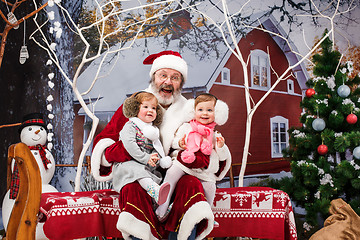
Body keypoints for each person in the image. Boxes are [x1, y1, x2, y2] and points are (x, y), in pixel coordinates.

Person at [91, 50, 215, 240]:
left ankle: (181, 235)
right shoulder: (135, 104)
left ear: (181, 83)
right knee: (133, 188)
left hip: (174, 171)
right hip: (141, 170)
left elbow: (205, 140)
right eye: (163, 75)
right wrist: (123, 152)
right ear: (153, 78)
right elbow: (105, 143)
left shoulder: (190, 110)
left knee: (191, 184)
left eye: (175, 77)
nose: (168, 82)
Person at [156, 93, 231, 222]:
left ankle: (208, 213)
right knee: (171, 174)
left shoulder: (214, 134)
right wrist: (180, 144)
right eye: (200, 110)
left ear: (217, 113)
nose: (205, 113)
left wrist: (220, 146)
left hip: (202, 169)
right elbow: (175, 142)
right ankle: (162, 207)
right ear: (193, 111)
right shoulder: (186, 128)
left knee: (210, 187)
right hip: (184, 163)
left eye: (209, 110)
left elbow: (223, 156)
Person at [114, 91, 172, 205]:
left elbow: (156, 147)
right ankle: (155, 191)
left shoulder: (154, 131)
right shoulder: (130, 126)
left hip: (145, 164)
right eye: (145, 107)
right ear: (135, 109)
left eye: (154, 108)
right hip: (128, 164)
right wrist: (146, 158)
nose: (150, 110)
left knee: (153, 174)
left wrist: (156, 158)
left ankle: (160, 203)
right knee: (138, 170)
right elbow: (129, 144)